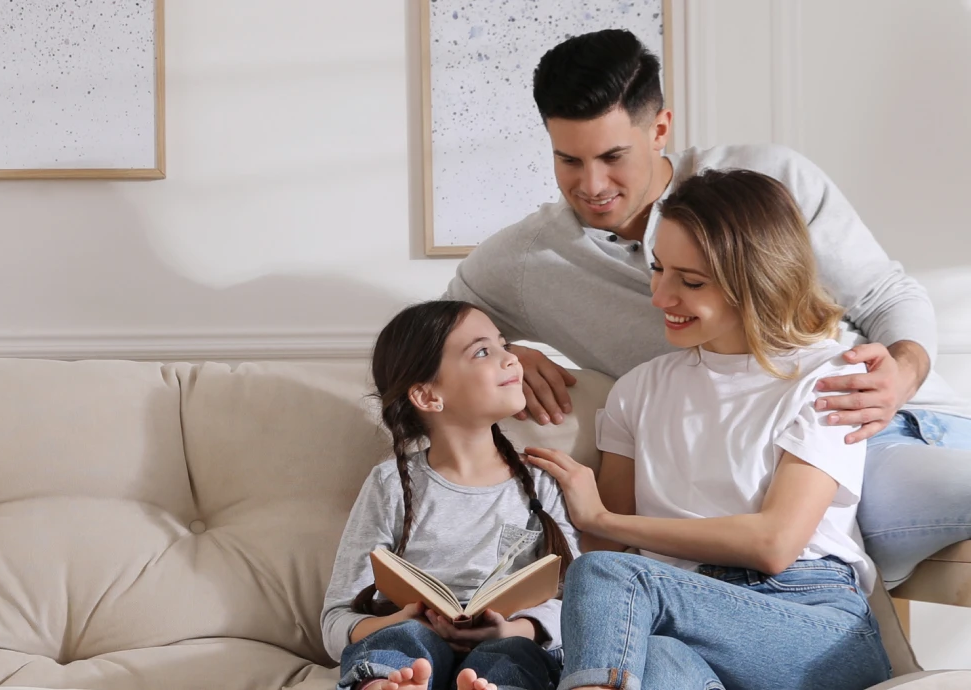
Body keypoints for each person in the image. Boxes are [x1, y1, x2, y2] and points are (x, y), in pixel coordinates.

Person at [444, 28, 971, 587]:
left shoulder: (769, 178)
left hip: (869, 420)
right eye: (568, 159)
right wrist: (501, 352)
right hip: (773, 470)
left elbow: (887, 295)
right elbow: (426, 338)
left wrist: (902, 374)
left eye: (613, 156)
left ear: (660, 129)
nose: (592, 184)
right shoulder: (527, 262)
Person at [522, 169, 893, 689]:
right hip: (683, 620)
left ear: (757, 280)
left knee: (608, 579)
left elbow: (775, 542)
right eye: (658, 269)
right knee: (657, 659)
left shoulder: (830, 378)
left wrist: (604, 518)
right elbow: (606, 547)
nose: (660, 297)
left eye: (691, 282)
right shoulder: (637, 390)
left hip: (810, 622)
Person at [321, 301, 580, 690]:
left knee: (511, 653)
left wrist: (514, 629)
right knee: (403, 639)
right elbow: (336, 620)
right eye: (483, 351)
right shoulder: (390, 484)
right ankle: (387, 684)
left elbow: (577, 607)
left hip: (508, 643)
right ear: (428, 396)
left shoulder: (542, 483)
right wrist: (401, 620)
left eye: (504, 344)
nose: (511, 359)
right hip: (414, 644)